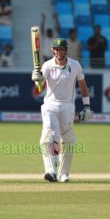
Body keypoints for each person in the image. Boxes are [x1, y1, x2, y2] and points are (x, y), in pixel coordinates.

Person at [31, 38, 93, 183]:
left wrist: (87, 106)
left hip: (68, 106)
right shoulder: (47, 65)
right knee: (52, 135)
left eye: (61, 49)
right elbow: (40, 83)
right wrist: (36, 78)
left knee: (70, 141)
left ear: (66, 50)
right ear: (53, 50)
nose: (59, 52)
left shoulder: (75, 65)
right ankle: (50, 171)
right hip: (50, 105)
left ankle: (63, 173)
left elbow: (83, 85)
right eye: (56, 49)